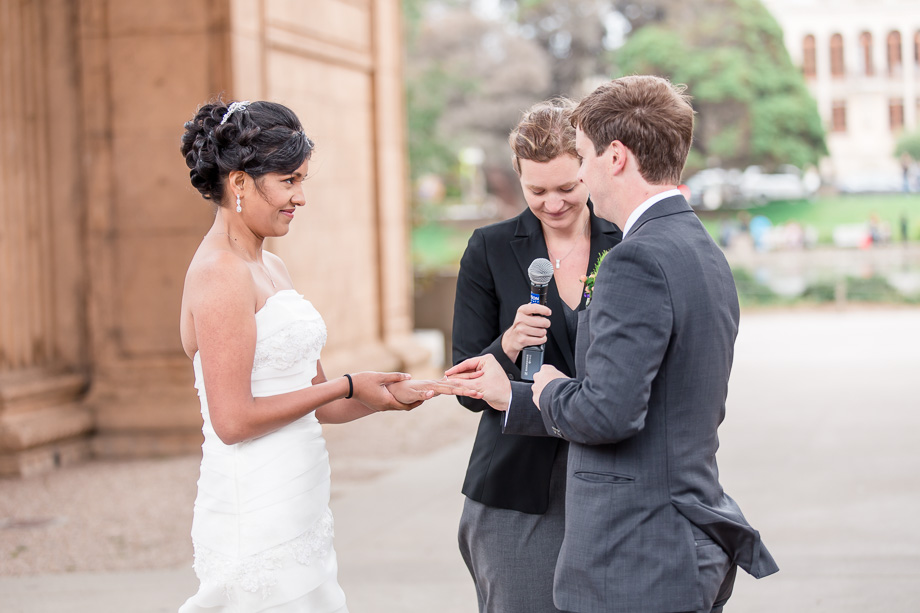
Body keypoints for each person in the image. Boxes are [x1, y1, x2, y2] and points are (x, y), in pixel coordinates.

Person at [447, 76, 778, 613]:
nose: (564, 191)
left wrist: (543, 389)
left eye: (581, 161)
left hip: (635, 530)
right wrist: (507, 346)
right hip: (559, 493)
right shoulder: (698, 245)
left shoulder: (633, 252)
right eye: (539, 190)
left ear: (614, 157)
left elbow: (609, 411)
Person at [177, 99, 477, 612]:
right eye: (288, 181)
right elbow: (232, 420)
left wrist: (383, 394)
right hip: (255, 505)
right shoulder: (219, 273)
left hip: (301, 498)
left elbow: (318, 402)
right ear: (241, 183)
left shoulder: (272, 268)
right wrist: (345, 382)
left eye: (302, 181)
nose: (300, 197)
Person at [452, 98, 621, 613]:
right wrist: (506, 345)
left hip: (613, 481)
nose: (552, 204)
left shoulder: (626, 244)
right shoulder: (489, 248)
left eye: (568, 188)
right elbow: (466, 385)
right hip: (517, 488)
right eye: (537, 191)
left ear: (589, 170)